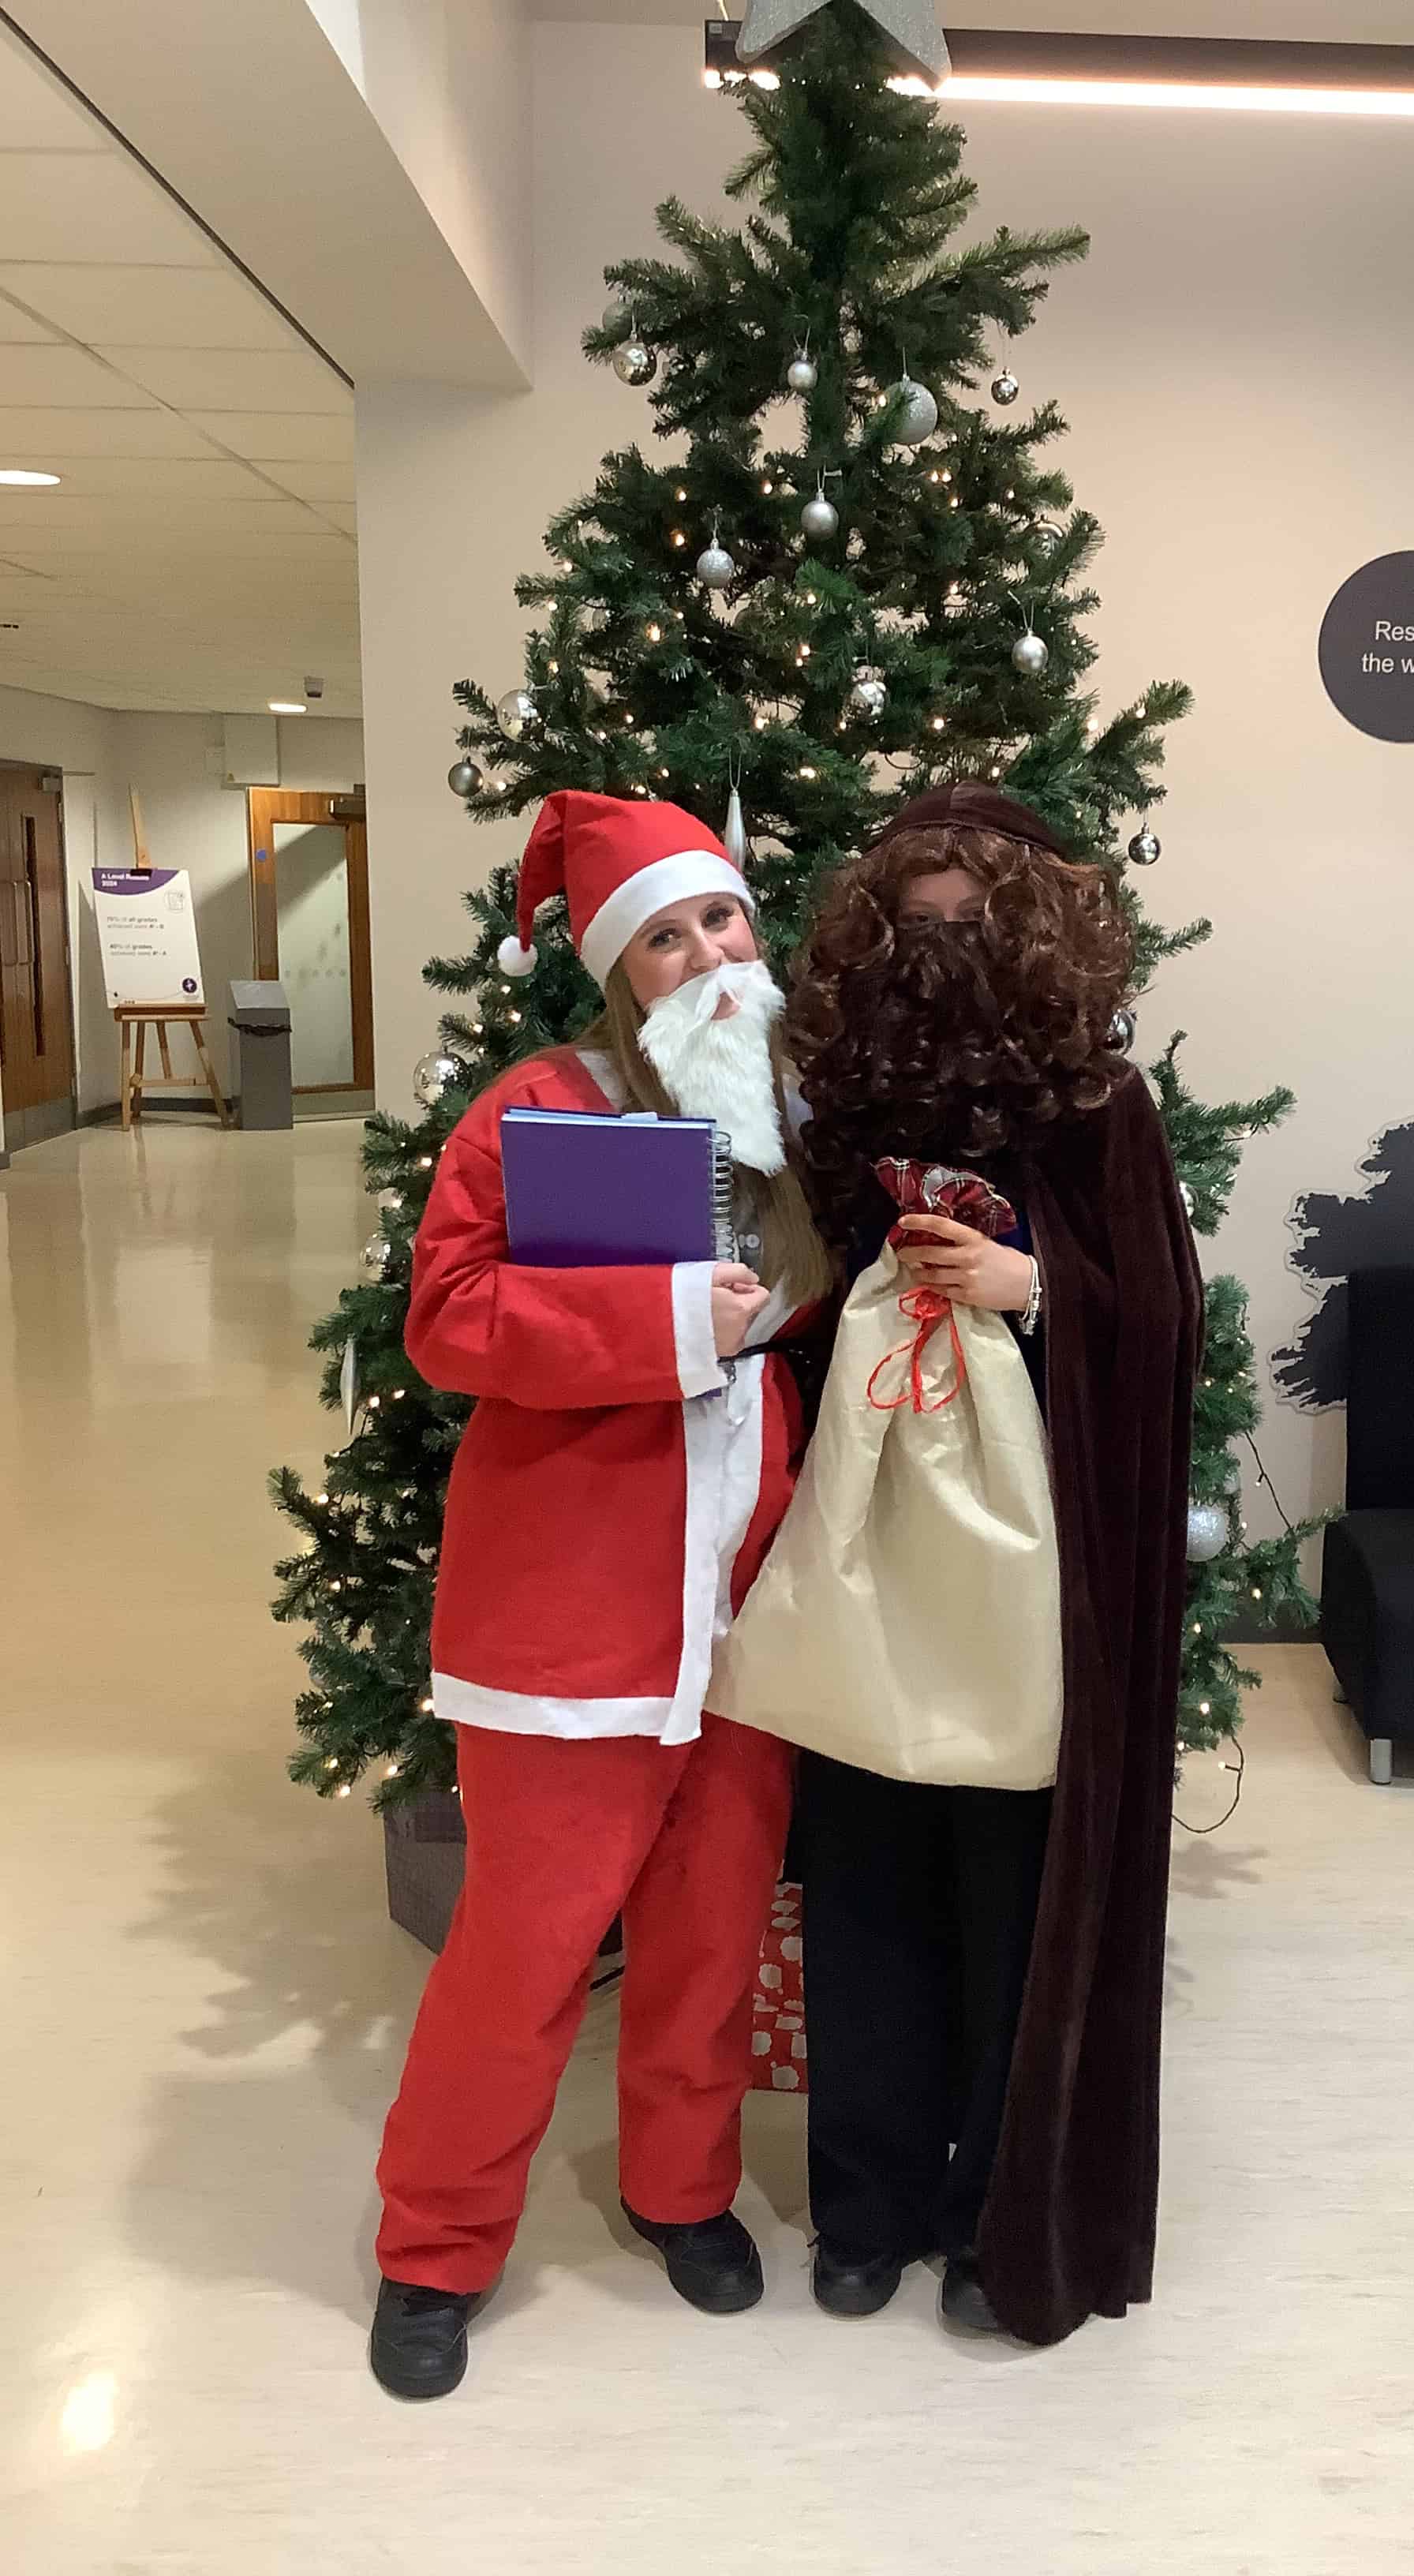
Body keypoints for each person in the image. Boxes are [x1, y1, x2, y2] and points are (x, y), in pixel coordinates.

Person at [368, 790, 835, 2401]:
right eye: (665, 937)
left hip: (744, 1613)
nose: (707, 953)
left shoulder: (785, 1107)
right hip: (569, 1619)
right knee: (525, 1951)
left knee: (710, 1936)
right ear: (617, 967)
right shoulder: (529, 1110)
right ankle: (435, 2246)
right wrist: (663, 1321)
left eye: (721, 921)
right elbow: (448, 1322)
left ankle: (679, 2189)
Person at [782, 781, 1204, 2347]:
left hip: (1033, 1584)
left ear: (1031, 934)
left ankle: (986, 2200)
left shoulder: (1095, 1108)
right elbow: (775, 1295)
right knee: (868, 1873)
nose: (933, 956)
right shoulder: (839, 1106)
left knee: (1011, 1884)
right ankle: (866, 2200)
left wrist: (1032, 1282)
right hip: (866, 1549)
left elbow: (1163, 1326)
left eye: (965, 928)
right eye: (907, 928)